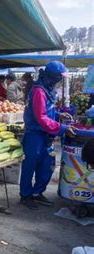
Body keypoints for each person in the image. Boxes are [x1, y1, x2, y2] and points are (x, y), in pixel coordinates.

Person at [20, 61, 77, 209]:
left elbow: (47, 112)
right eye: (59, 77)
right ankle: (25, 195)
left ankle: (37, 193)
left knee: (47, 166)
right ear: (53, 77)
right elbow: (41, 117)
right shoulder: (39, 91)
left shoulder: (48, 90)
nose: (60, 81)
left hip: (46, 135)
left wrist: (58, 114)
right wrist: (62, 128)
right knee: (30, 166)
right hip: (34, 136)